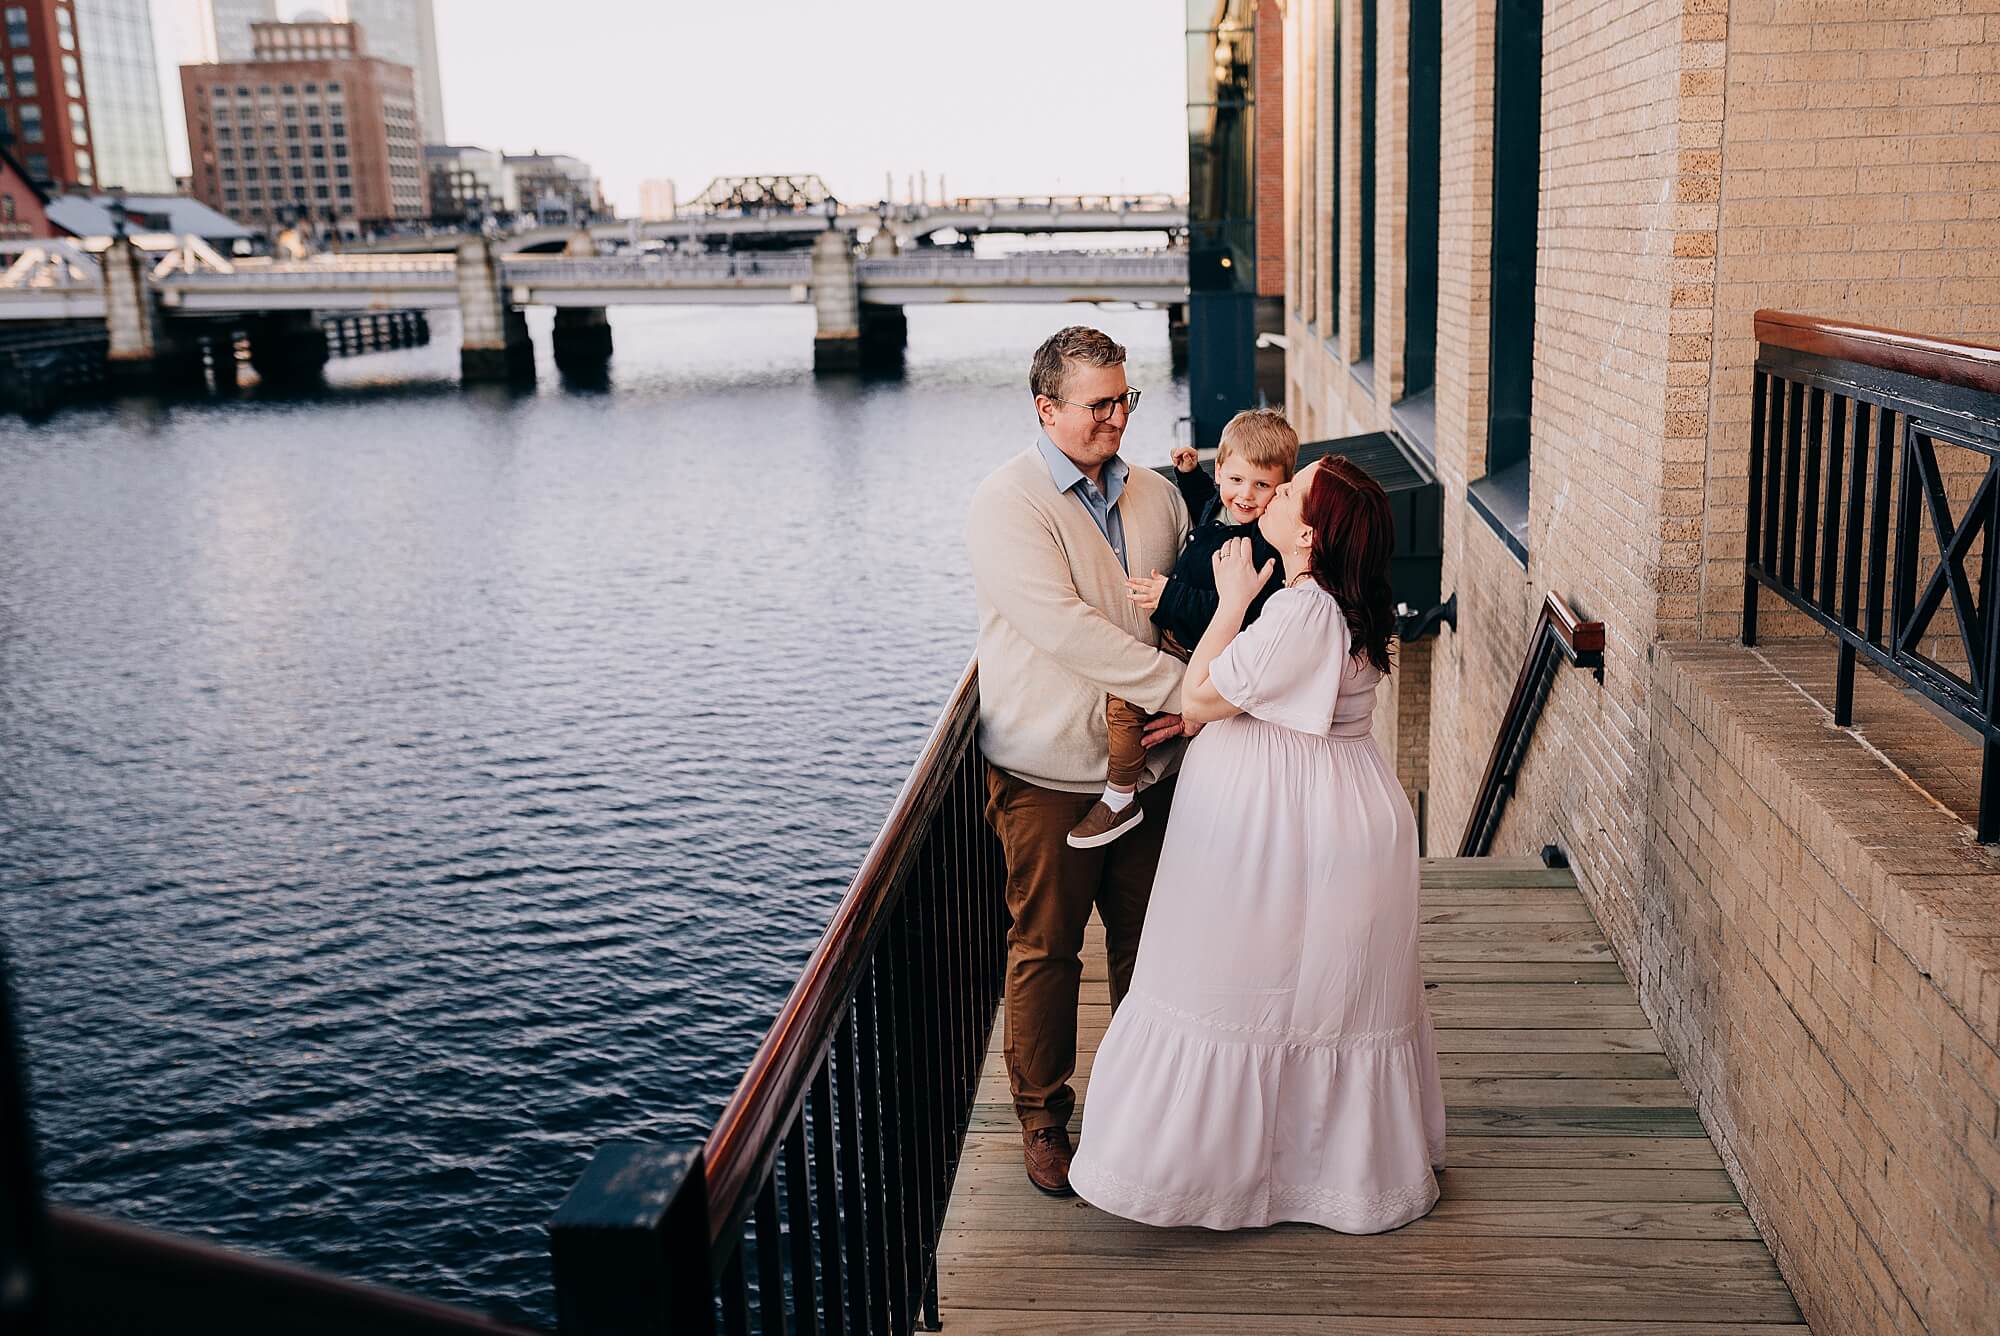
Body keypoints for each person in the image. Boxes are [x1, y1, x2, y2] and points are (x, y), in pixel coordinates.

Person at [1067, 455, 1447, 1233]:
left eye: (1290, 491)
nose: (1269, 496)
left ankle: (1213, 1175)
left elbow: (1201, 690)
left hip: (1283, 821)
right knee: (1317, 993)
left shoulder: (1300, 610)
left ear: (1306, 535)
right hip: (1333, 803)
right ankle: (1309, 1167)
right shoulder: (1333, 604)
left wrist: (1231, 601)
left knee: (1239, 981)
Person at [965, 325, 1193, 1196]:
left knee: (1150, 948)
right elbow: (1063, 628)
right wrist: (1187, 689)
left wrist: (1187, 687)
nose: (1117, 418)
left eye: (1125, 399)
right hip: (1048, 776)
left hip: (1152, 774)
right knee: (1047, 952)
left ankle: (1140, 1109)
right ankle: (1042, 1118)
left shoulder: (1156, 495)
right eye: (1099, 405)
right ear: (1046, 409)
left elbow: (1185, 601)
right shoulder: (1007, 503)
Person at [1069, 409, 1296, 850]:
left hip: (1202, 653)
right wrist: (1188, 475)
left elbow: (1238, 608)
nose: (1245, 496)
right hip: (1181, 641)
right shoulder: (1224, 506)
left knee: (1126, 701)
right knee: (1132, 704)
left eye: (1261, 486)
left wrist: (1170, 597)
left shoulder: (1262, 545)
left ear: (1281, 486)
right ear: (1221, 471)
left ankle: (1119, 796)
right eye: (1235, 480)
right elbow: (1207, 504)